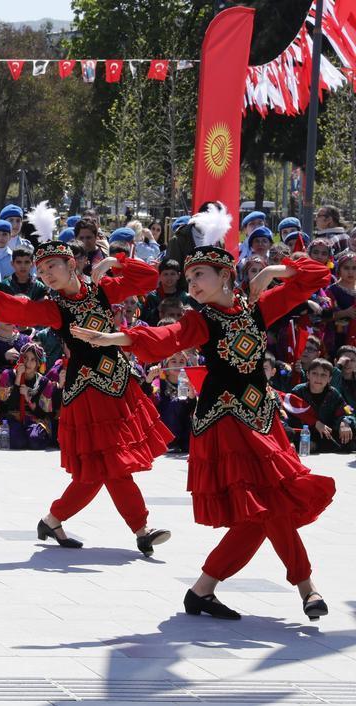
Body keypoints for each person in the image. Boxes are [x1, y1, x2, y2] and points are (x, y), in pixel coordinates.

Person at [74, 205, 333, 621]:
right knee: (269, 507)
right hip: (225, 423)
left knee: (263, 513)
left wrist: (272, 272)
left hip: (262, 420)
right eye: (189, 277)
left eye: (199, 275)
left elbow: (316, 275)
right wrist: (113, 338)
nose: (191, 283)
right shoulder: (202, 320)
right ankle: (307, 589)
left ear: (226, 275)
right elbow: (165, 336)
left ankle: (203, 590)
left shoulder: (257, 309)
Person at [0, 202, 172, 556]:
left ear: (72, 263)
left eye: (52, 267)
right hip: (88, 392)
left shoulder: (102, 289)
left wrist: (115, 261)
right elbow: (19, 309)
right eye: (42, 270)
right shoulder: (55, 307)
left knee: (100, 470)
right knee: (109, 466)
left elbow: (149, 279)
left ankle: (54, 520)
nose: (46, 275)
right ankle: (140, 529)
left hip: (118, 385)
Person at [287, 358, 355, 453]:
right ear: (308, 375)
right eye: (314, 373)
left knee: (350, 432)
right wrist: (314, 424)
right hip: (303, 434)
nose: (319, 378)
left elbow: (348, 410)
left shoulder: (333, 393)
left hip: (327, 434)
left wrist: (345, 421)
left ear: (330, 378)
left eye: (323, 375)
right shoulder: (298, 391)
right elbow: (291, 416)